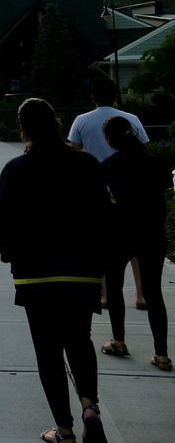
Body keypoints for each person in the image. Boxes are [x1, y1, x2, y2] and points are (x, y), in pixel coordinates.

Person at [0, 98, 109, 443]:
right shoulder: (87, 164)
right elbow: (104, 219)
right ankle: (90, 406)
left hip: (36, 276)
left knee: (48, 352)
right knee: (79, 341)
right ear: (58, 124)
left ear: (24, 128)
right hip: (81, 273)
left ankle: (65, 430)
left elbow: (3, 235)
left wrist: (11, 254)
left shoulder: (14, 170)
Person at [68, 77, 150, 310]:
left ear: (92, 97)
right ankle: (141, 294)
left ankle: (104, 294)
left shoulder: (81, 120)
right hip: (129, 187)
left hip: (94, 187)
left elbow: (74, 150)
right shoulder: (131, 119)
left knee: (101, 245)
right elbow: (144, 147)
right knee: (134, 245)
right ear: (116, 96)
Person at [98, 115, 171, 372]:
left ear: (109, 140)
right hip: (152, 231)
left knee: (115, 287)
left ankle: (119, 340)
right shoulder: (157, 164)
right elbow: (163, 196)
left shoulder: (108, 166)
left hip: (119, 231)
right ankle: (161, 354)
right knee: (153, 293)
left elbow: (102, 204)